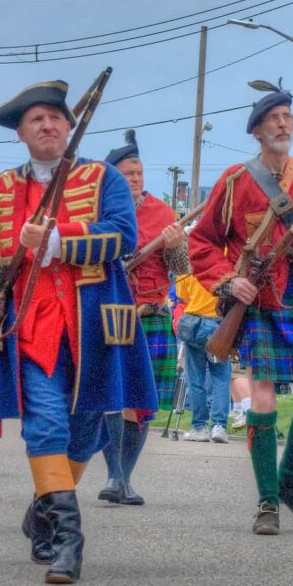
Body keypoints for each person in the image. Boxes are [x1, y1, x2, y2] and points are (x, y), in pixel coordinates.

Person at [0, 79, 157, 583]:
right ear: (21, 135)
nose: (48, 125)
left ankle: (44, 507)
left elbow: (123, 237)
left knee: (85, 431)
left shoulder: (103, 178)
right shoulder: (1, 191)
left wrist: (57, 238)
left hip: (94, 324)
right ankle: (71, 541)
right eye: (36, 120)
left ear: (70, 126)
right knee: (45, 423)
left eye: (56, 117)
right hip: (29, 329)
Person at [188, 83, 293, 536]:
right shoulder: (236, 181)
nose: (283, 124)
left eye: (288, 117)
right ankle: (267, 501)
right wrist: (228, 280)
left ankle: (290, 481)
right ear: (257, 131)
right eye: (274, 118)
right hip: (257, 304)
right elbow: (202, 242)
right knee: (261, 398)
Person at [95, 132, 188, 503]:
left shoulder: (163, 213)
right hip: (111, 312)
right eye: (128, 173)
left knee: (139, 400)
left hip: (149, 315)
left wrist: (175, 243)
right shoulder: (98, 213)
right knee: (111, 396)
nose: (136, 178)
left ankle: (124, 477)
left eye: (139, 172)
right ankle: (114, 475)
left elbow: (181, 268)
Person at [176, 273, 233, 443]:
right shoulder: (224, 263)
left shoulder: (187, 268)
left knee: (195, 378)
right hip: (219, 324)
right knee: (221, 377)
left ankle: (199, 427)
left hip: (194, 324)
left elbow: (183, 296)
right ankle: (219, 426)